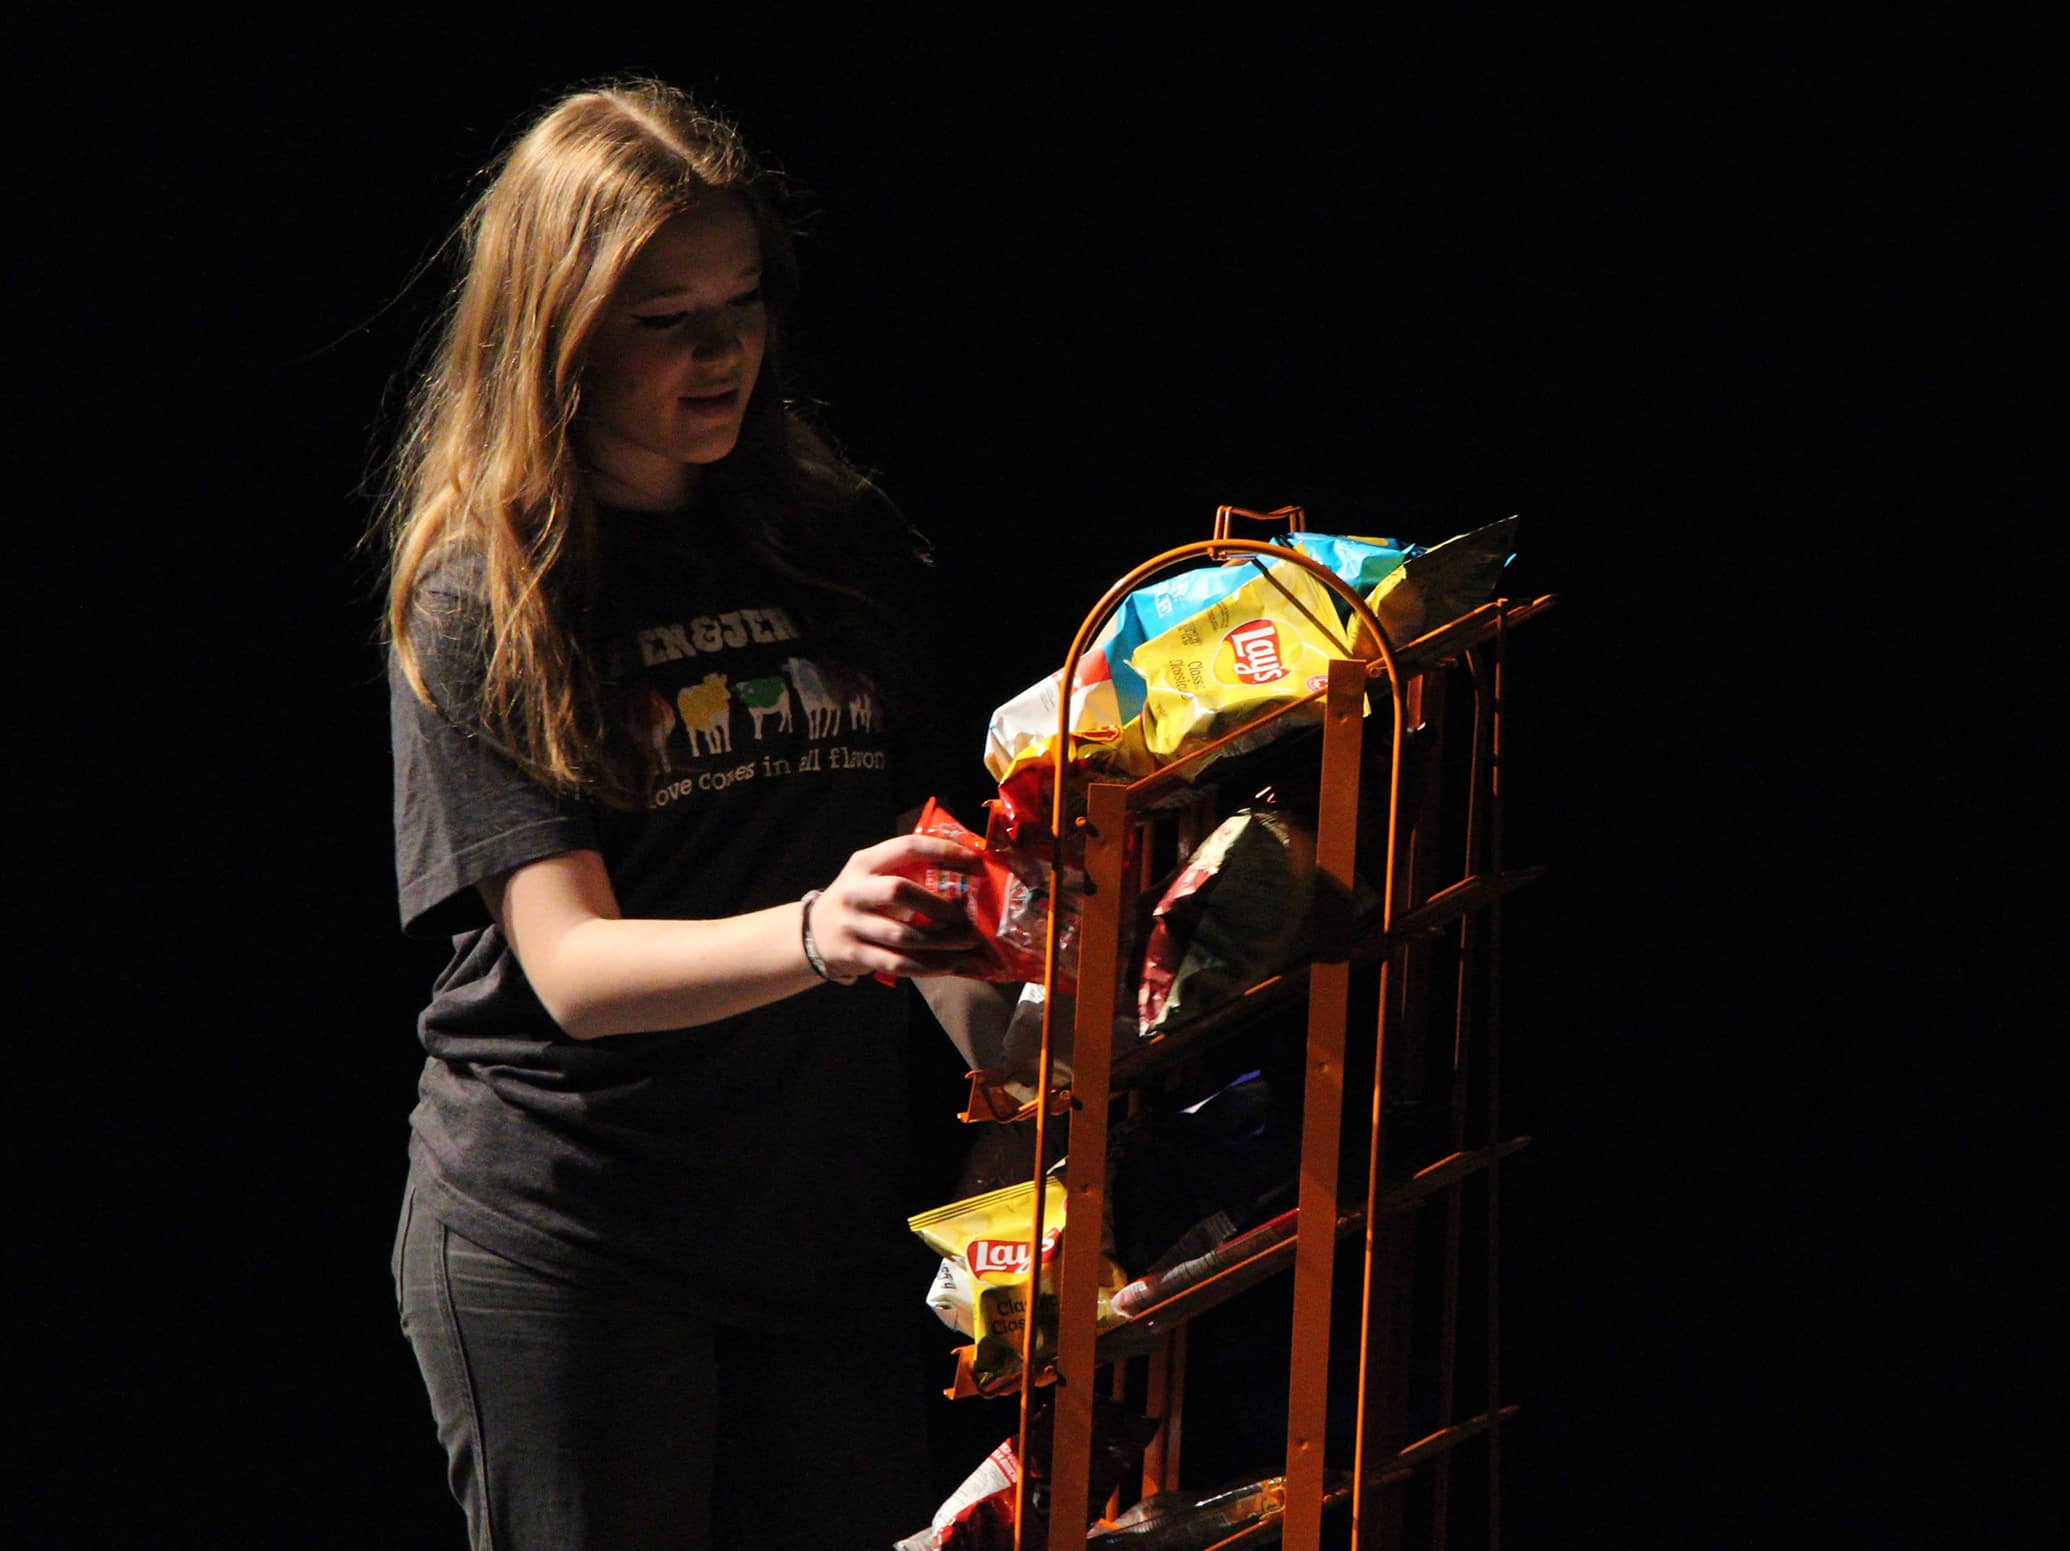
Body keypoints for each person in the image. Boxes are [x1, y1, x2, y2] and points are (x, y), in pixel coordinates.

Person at [382, 79, 982, 1550]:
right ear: (558, 335)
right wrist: (815, 933)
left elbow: (923, 853)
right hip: (571, 1240)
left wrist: (1022, 1086)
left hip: (814, 1233)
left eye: (741, 301)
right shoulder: (486, 593)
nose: (722, 352)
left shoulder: (821, 534)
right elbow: (574, 974)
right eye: (665, 319)